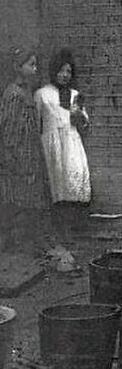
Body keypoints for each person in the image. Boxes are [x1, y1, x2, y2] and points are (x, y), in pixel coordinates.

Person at [0, 48, 52, 250]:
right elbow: (10, 129)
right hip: (20, 155)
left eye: (36, 64)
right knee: (18, 200)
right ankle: (14, 244)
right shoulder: (14, 94)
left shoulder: (26, 90)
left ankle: (28, 243)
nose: (35, 68)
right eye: (31, 64)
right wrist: (14, 158)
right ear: (17, 67)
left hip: (29, 152)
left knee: (31, 198)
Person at [34, 49, 91, 233]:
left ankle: (72, 229)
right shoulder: (42, 94)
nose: (65, 75)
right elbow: (36, 122)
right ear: (53, 71)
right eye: (61, 71)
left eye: (68, 71)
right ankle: (54, 229)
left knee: (72, 178)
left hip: (72, 142)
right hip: (51, 143)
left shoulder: (75, 95)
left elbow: (85, 124)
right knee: (54, 181)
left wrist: (78, 116)